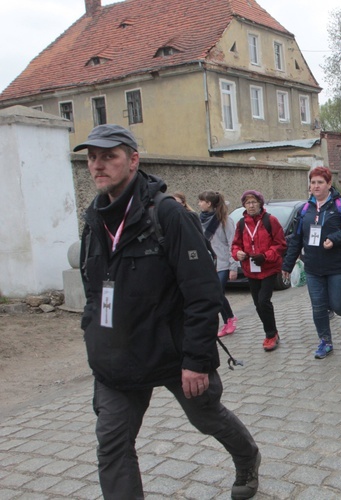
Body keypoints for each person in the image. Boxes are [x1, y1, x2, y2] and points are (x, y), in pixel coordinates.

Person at [75, 124, 260, 500]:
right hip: (118, 357)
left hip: (174, 351)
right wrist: (93, 337)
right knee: (111, 445)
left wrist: (196, 359)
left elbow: (203, 292)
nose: (98, 165)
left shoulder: (168, 215)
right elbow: (94, 290)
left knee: (206, 417)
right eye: (92, 157)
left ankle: (247, 458)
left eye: (109, 156)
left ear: (133, 160)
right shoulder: (94, 220)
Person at [281, 166, 341, 358]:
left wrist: (334, 238)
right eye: (313, 182)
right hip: (314, 267)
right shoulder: (305, 209)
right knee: (318, 306)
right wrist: (287, 265)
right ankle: (325, 341)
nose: (316, 186)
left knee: (339, 304)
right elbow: (296, 239)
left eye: (320, 182)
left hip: (338, 266)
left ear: (329, 184)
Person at [231, 190, 287, 350]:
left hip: (269, 268)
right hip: (251, 269)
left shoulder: (271, 220)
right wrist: (237, 253)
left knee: (264, 301)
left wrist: (265, 256)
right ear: (244, 205)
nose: (251, 205)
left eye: (254, 202)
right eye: (248, 203)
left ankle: (270, 334)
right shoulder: (241, 224)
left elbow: (280, 244)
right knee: (257, 304)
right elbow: (236, 244)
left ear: (260, 203)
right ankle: (272, 332)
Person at [197, 190, 240, 337]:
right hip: (208, 263)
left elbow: (232, 244)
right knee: (216, 295)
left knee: (217, 294)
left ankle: (230, 319)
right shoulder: (200, 220)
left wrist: (233, 267)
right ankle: (228, 319)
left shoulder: (225, 220)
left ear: (209, 203)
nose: (199, 204)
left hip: (223, 263)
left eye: (201, 201)